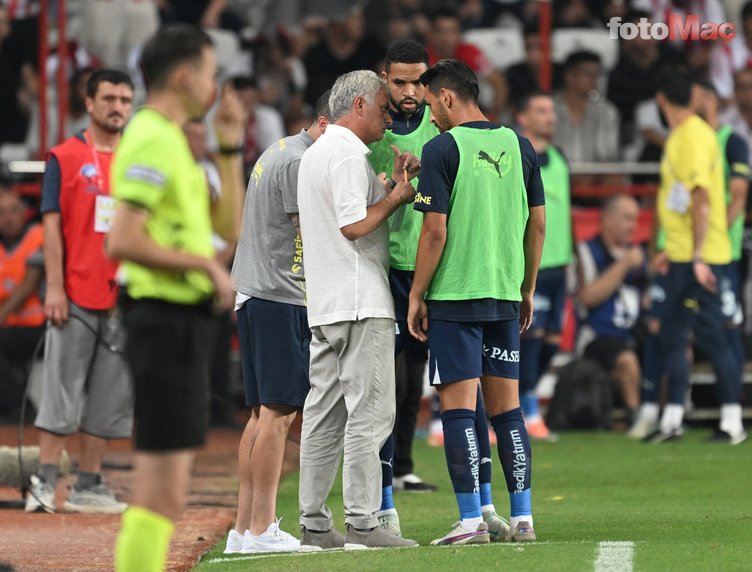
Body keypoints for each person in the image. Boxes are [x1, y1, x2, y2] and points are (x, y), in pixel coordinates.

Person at [107, 25, 244, 571]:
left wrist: (230, 145)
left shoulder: (174, 139)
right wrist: (203, 266)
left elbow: (227, 230)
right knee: (159, 491)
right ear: (185, 76)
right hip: (162, 320)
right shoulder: (151, 137)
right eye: (211, 74)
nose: (215, 88)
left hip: (184, 324)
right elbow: (123, 238)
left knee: (168, 490)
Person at [407, 59, 545, 545]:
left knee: (459, 411)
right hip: (505, 295)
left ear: (446, 97)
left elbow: (434, 230)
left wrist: (416, 294)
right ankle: (523, 518)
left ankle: (470, 522)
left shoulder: (443, 148)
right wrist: (526, 288)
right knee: (508, 413)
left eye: (431, 105)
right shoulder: (521, 145)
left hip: (456, 297)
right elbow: (539, 223)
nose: (431, 116)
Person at [296, 70, 419, 551]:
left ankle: (314, 523)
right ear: (361, 104)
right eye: (385, 109)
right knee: (370, 414)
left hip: (324, 302)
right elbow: (353, 226)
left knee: (323, 414)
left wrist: (391, 184)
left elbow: (347, 217)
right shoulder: (347, 151)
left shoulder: (317, 152)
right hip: (359, 299)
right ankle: (364, 523)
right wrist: (395, 196)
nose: (390, 118)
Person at [224, 91, 331, 555]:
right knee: (279, 414)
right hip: (279, 296)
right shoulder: (298, 162)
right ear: (327, 124)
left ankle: (245, 530)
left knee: (261, 415)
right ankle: (263, 529)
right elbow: (310, 234)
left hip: (256, 292)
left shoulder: (281, 150)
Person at [24, 69, 135, 515]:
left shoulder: (137, 159)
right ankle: (43, 483)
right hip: (73, 292)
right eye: (109, 98)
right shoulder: (64, 157)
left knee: (110, 395)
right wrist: (53, 287)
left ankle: (89, 484)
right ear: (88, 103)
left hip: (124, 298)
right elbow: (50, 227)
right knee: (59, 392)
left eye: (126, 100)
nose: (118, 107)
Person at [649, 68, 746, 445]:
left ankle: (732, 422)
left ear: (662, 101)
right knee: (671, 333)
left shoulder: (689, 138)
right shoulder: (694, 135)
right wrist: (670, 252)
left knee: (714, 336)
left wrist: (700, 257)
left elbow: (702, 200)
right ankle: (672, 419)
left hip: (703, 256)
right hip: (683, 254)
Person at [366, 39, 439, 518]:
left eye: (417, 81)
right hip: (383, 264)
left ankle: (404, 465)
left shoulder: (443, 124)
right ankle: (377, 474)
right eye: (400, 82)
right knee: (385, 377)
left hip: (429, 265)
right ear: (383, 78)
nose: (410, 91)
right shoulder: (371, 130)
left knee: (415, 373)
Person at [516, 91, 572, 441]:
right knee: (530, 340)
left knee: (552, 339)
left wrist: (575, 258)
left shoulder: (560, 157)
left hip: (560, 263)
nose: (549, 116)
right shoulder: (518, 156)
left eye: (552, 110)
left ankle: (526, 400)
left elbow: (564, 211)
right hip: (532, 261)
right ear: (523, 117)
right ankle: (528, 410)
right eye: (541, 110)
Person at [574, 194, 645, 425]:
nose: (632, 226)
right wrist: (623, 265)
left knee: (671, 346)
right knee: (626, 360)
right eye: (626, 219)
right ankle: (636, 418)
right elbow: (587, 297)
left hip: (633, 330)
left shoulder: (639, 255)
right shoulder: (587, 251)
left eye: (635, 220)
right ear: (607, 219)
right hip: (598, 334)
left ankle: (668, 415)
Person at [0, 187, 45, 419]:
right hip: (9, 327)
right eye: (1, 213)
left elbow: (28, 286)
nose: (8, 218)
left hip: (38, 327)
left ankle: (20, 407)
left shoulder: (38, 236)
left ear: (25, 213)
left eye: (13, 211)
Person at [552, 51, 620, 166]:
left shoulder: (606, 110)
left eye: (597, 74)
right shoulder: (550, 107)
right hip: (555, 175)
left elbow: (607, 154)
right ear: (569, 76)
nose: (594, 79)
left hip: (595, 178)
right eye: (588, 74)